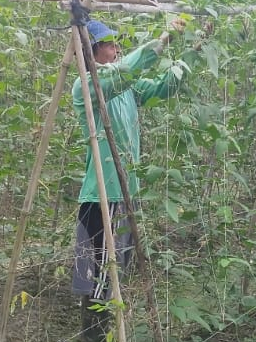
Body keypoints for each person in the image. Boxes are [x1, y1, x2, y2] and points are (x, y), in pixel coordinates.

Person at [71, 17, 185, 342]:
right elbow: (125, 73)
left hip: (125, 194)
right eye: (109, 44)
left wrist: (193, 51)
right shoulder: (88, 85)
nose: (117, 48)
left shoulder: (126, 87)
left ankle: (109, 334)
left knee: (118, 273)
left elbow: (165, 86)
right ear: (91, 51)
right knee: (98, 280)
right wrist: (162, 41)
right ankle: (92, 338)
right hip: (100, 199)